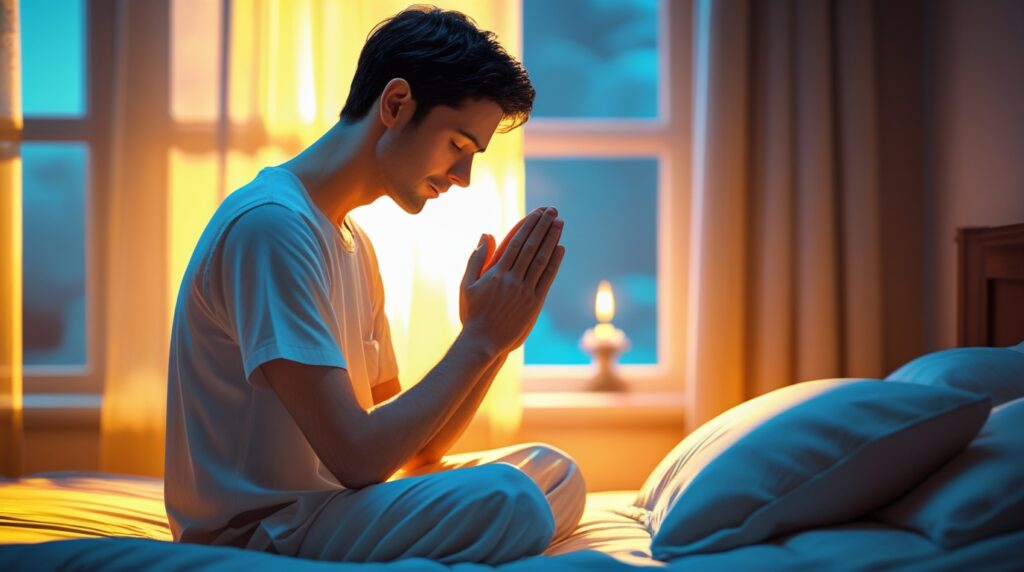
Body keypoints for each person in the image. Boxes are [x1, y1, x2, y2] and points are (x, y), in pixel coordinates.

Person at [163, 5, 585, 565]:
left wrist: (497, 343)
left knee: (555, 472)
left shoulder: (352, 243)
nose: (463, 177)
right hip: (268, 532)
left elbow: (417, 451)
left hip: (334, 510)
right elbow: (357, 458)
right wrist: (476, 341)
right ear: (395, 104)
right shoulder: (271, 227)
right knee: (511, 499)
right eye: (458, 145)